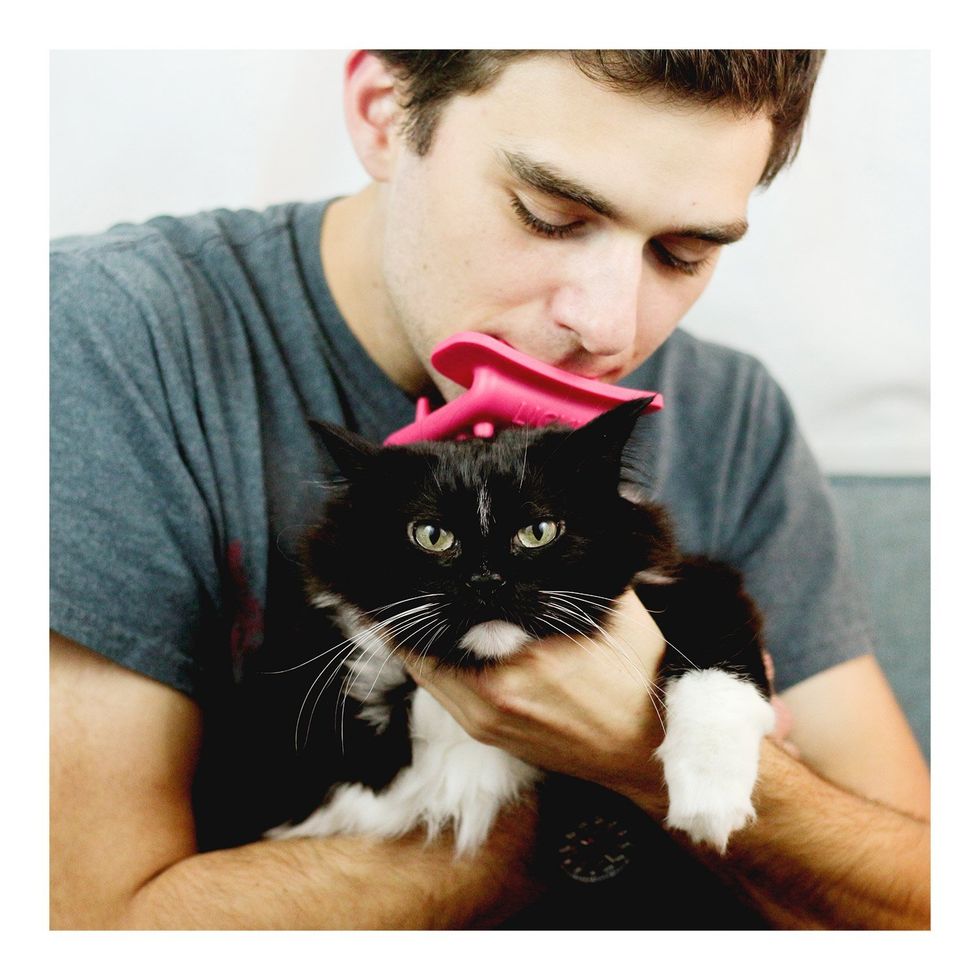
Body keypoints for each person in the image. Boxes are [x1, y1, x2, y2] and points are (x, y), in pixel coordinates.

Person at [50, 50, 930, 929]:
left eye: (681, 252)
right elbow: (90, 931)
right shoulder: (102, 337)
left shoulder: (734, 410)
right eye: (550, 216)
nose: (608, 326)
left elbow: (925, 903)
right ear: (385, 113)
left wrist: (638, 752)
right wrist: (611, 796)